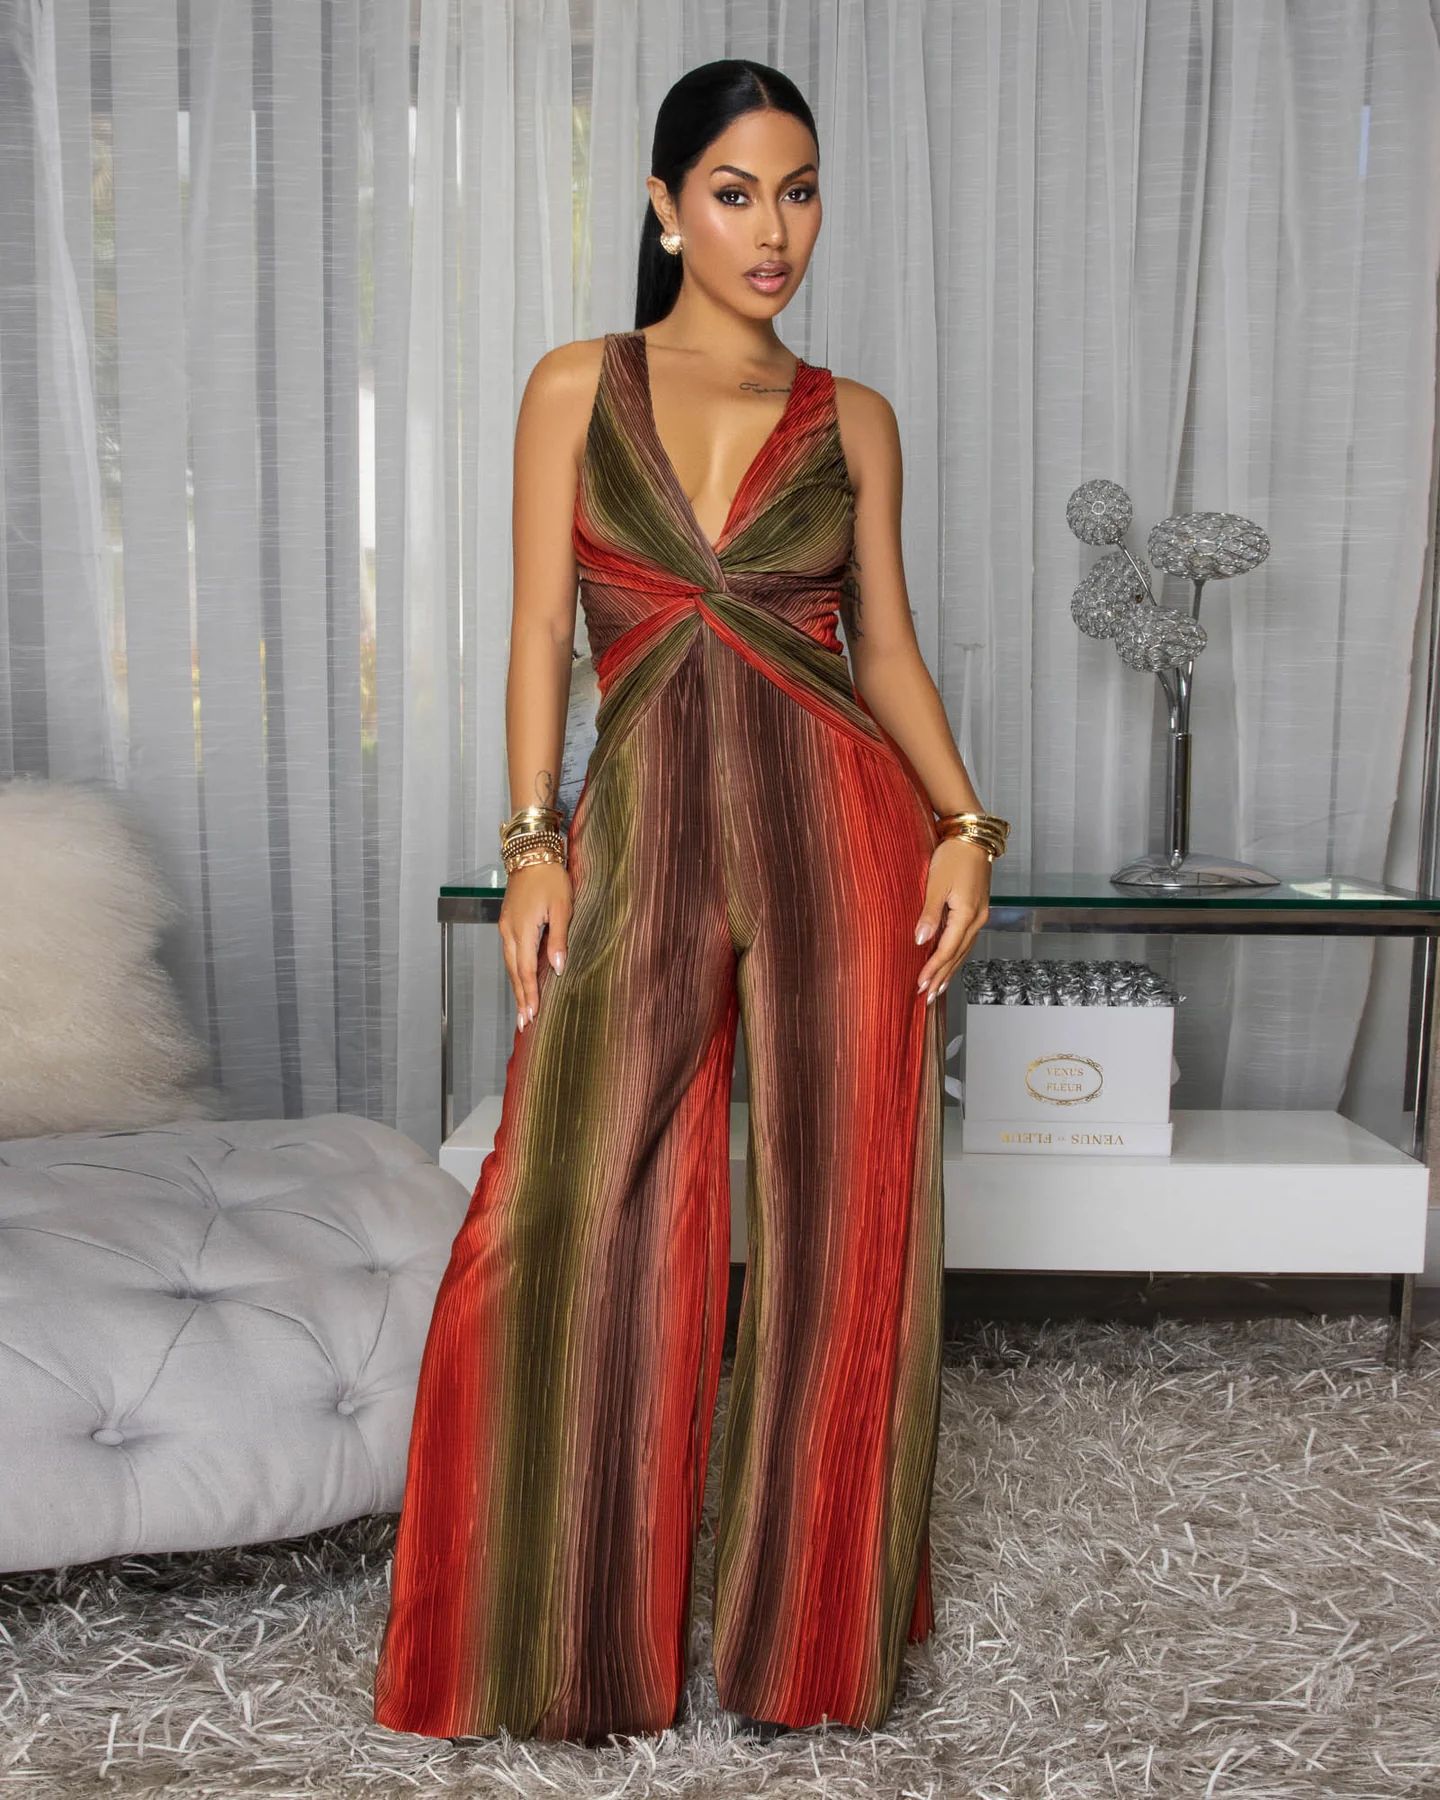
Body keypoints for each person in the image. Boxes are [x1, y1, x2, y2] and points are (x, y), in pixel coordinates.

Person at [372, 56, 1008, 1748]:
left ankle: (812, 1655)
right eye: (735, 192)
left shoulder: (853, 418)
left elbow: (883, 648)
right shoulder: (577, 385)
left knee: (844, 1228)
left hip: (841, 831)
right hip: (643, 829)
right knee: (560, 1203)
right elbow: (536, 630)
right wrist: (533, 839)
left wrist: (965, 826)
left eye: (799, 191)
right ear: (664, 207)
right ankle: (545, 1642)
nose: (773, 228)